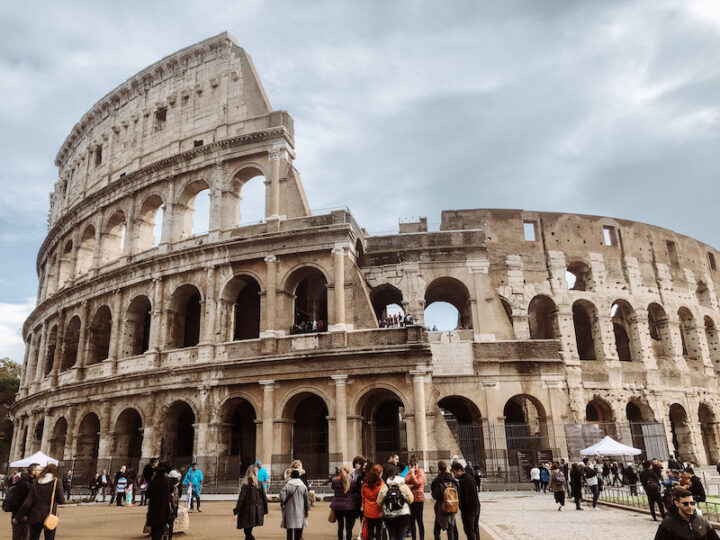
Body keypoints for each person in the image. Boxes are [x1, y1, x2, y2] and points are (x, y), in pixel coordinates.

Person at [14, 463, 66, 540]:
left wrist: (18, 516)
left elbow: (27, 503)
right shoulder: (57, 482)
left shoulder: (36, 482)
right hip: (49, 516)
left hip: (35, 516)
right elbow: (61, 500)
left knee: (33, 538)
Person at [654, 487, 720, 540]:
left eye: (692, 503)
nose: (690, 506)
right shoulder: (667, 524)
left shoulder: (702, 521)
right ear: (677, 503)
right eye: (686, 504)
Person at [377, 463, 413, 540]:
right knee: (402, 537)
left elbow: (379, 501)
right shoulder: (403, 486)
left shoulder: (385, 487)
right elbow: (411, 500)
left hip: (389, 516)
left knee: (392, 537)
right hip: (403, 516)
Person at [6, 463, 40, 540]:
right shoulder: (24, 484)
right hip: (20, 518)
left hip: (24, 517)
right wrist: (19, 517)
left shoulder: (30, 482)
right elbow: (19, 502)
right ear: (33, 471)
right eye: (39, 470)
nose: (41, 472)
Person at [235, 464, 269, 540]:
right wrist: (265, 510)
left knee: (247, 531)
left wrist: (237, 509)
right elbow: (264, 498)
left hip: (246, 509)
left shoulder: (246, 483)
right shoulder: (259, 483)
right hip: (256, 509)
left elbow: (241, 498)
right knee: (248, 530)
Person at [450, 461, 480, 540]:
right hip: (476, 506)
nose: (454, 475)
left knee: (470, 531)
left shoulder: (464, 480)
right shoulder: (469, 477)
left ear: (459, 470)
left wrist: (461, 508)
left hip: (469, 510)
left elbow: (464, 497)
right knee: (475, 529)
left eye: (454, 473)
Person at [431, 461, 458, 540]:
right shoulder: (452, 480)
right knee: (450, 531)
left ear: (439, 469)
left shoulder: (438, 480)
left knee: (436, 531)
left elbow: (435, 495)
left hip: (441, 507)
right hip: (452, 506)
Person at [280, 469, 310, 540]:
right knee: (298, 530)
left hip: (289, 510)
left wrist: (283, 503)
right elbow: (306, 500)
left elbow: (282, 496)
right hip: (300, 511)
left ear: (291, 476)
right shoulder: (303, 486)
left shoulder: (287, 486)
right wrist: (306, 510)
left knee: (289, 530)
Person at [330, 464, 357, 540]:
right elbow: (354, 491)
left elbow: (333, 488)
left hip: (338, 505)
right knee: (348, 527)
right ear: (348, 472)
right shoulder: (352, 481)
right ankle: (348, 538)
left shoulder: (335, 481)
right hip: (349, 506)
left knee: (340, 526)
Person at [146, 465, 172, 540]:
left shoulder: (153, 481)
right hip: (163, 508)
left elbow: (147, 494)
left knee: (154, 528)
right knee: (161, 528)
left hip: (153, 508)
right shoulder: (166, 482)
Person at [404, 455, 426, 540]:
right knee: (411, 521)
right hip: (411, 499)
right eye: (411, 465)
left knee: (419, 520)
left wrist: (413, 475)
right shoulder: (408, 473)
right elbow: (405, 482)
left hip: (419, 499)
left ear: (417, 464)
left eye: (414, 464)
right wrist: (411, 485)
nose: (413, 467)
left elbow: (417, 483)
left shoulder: (421, 472)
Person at [361, 464, 385, 540]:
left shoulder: (365, 484)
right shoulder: (381, 484)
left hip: (368, 510)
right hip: (378, 511)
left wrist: (365, 508)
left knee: (370, 532)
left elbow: (363, 497)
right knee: (379, 532)